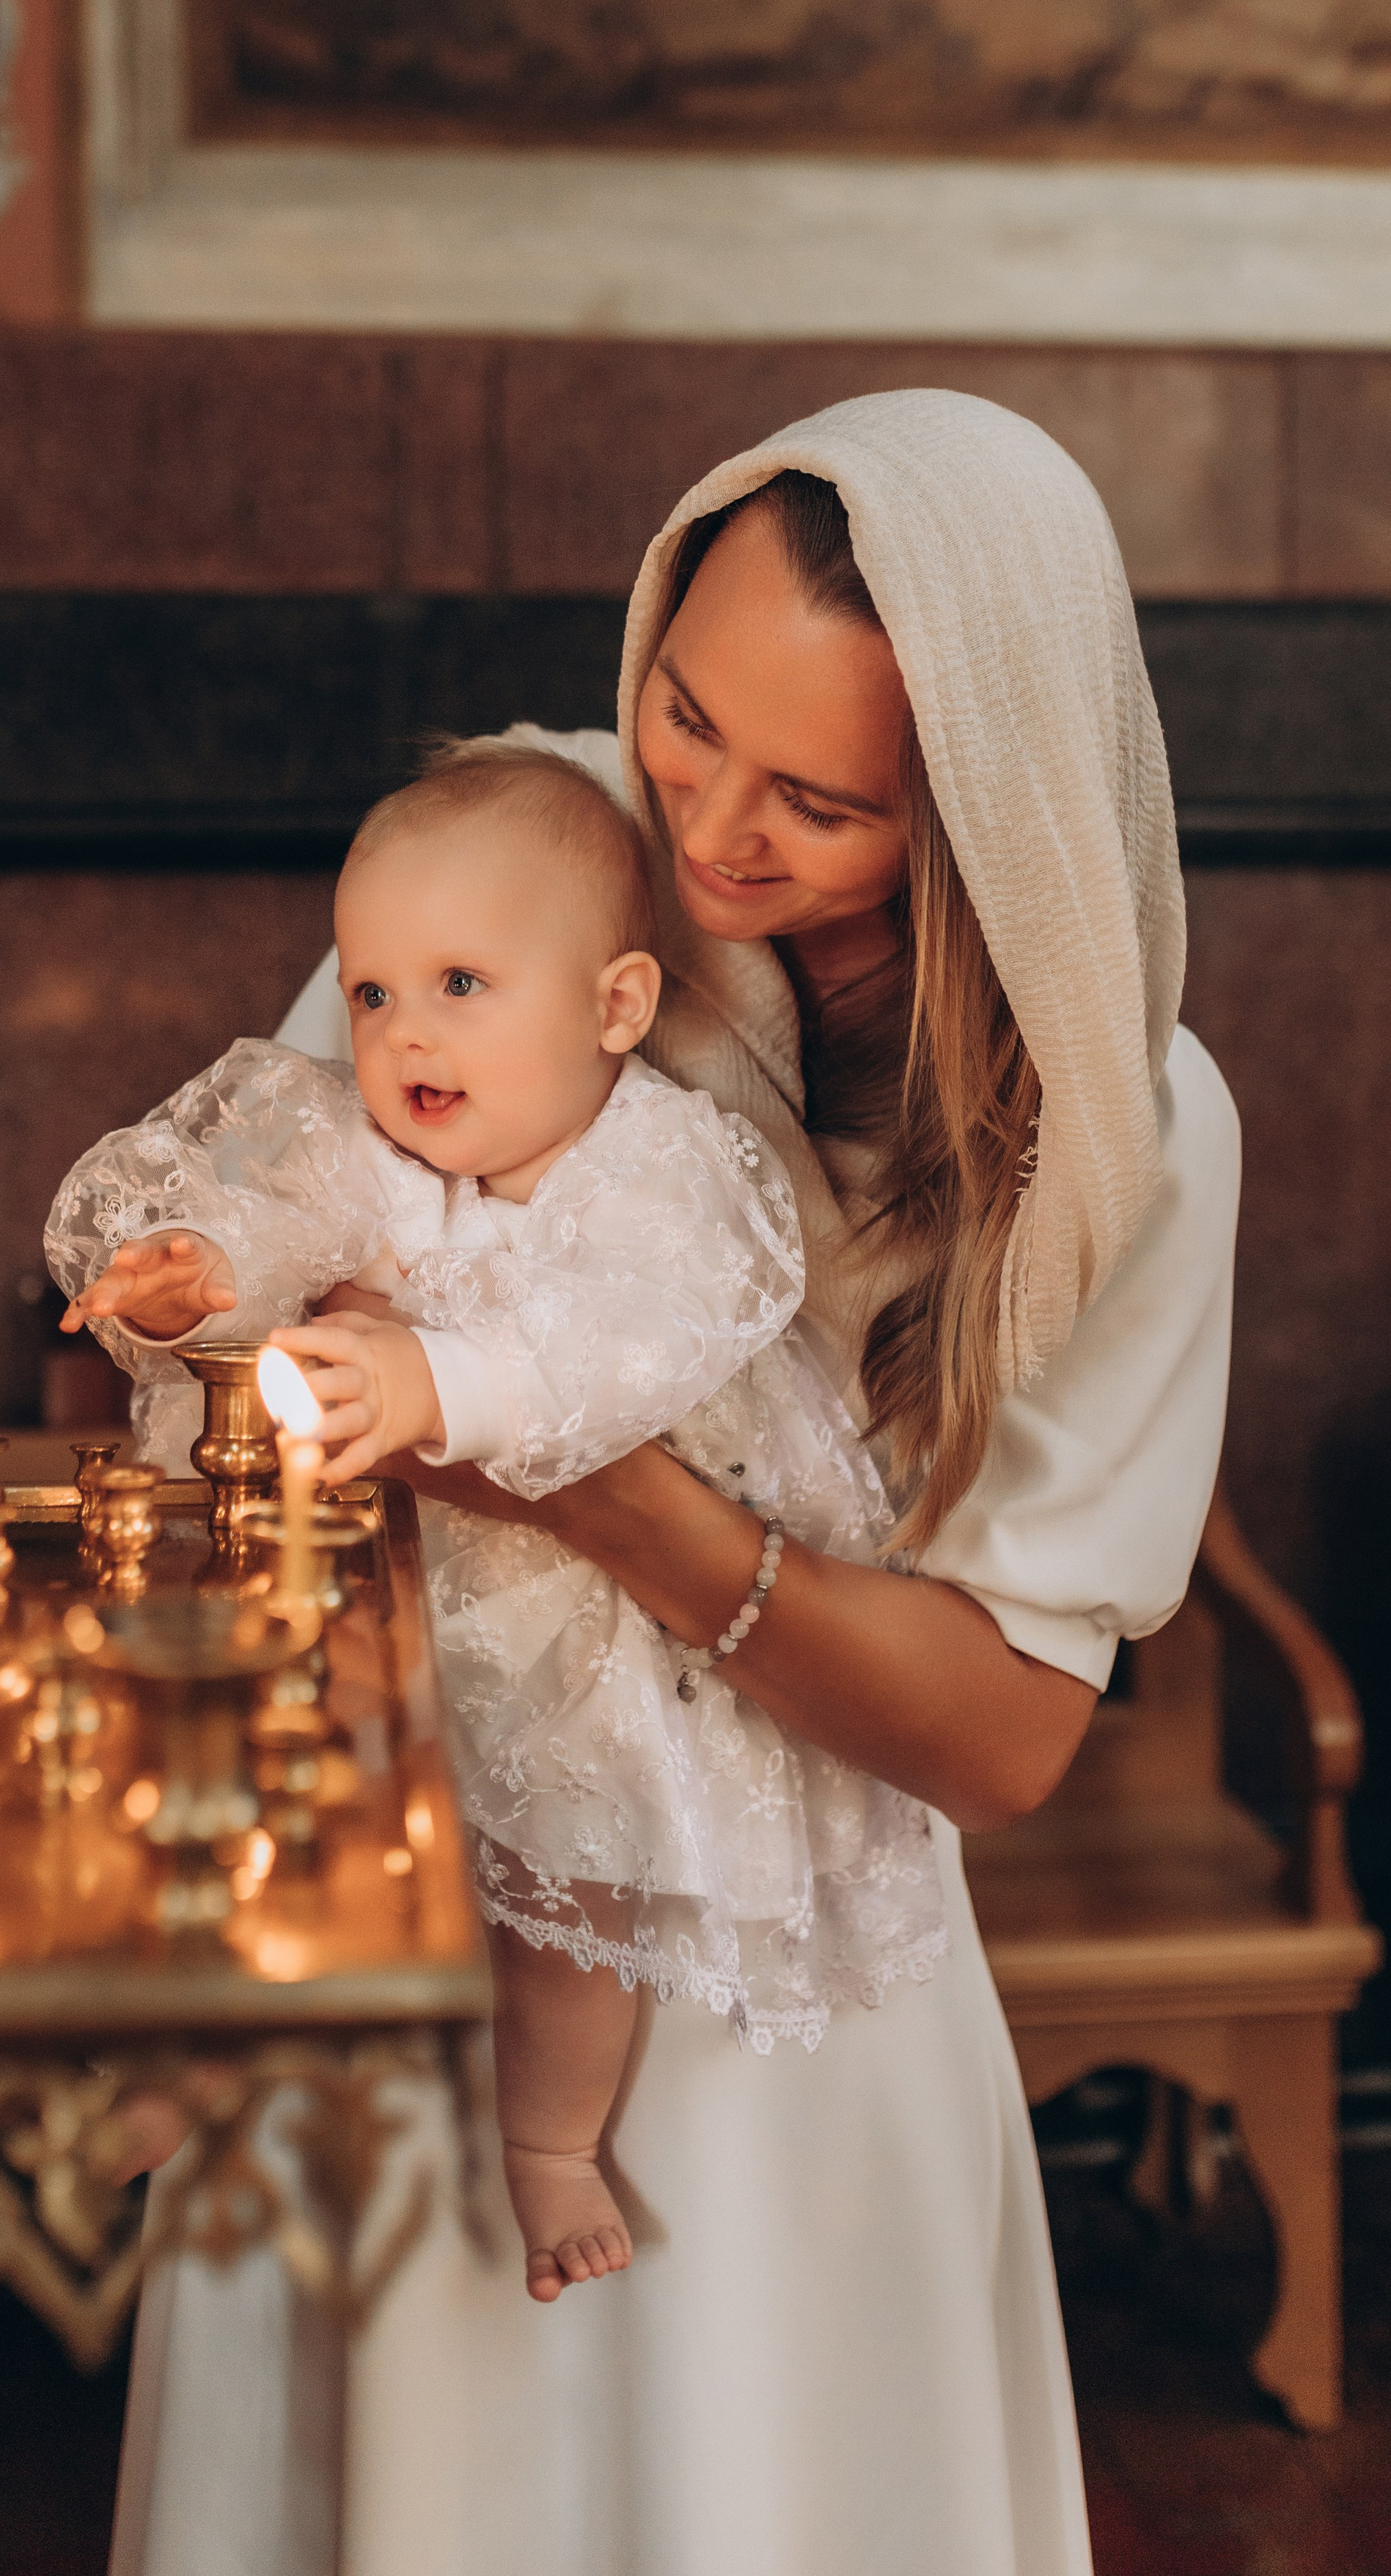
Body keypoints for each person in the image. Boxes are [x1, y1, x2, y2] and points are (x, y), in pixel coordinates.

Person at [102, 389, 1241, 2576]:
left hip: (774, 1984)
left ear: (984, 813)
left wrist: (587, 1482)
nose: (707, 824)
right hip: (399, 1897)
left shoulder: (1128, 1125)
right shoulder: (517, 862)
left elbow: (1003, 1735)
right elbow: (278, 1284)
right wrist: (203, 1304)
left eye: (821, 801)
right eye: (686, 716)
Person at [48, 745, 942, 2304]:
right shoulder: (369, 1153)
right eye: (374, 990)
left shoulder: (663, 1166)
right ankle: (193, 2064)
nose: (405, 1032)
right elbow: (271, 1221)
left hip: (591, 1629)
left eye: (460, 984)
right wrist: (194, 1274)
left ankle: (553, 2143)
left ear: (614, 1006)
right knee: (272, 1830)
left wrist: (437, 1379)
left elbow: (638, 1339)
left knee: (574, 1902)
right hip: (382, 1608)